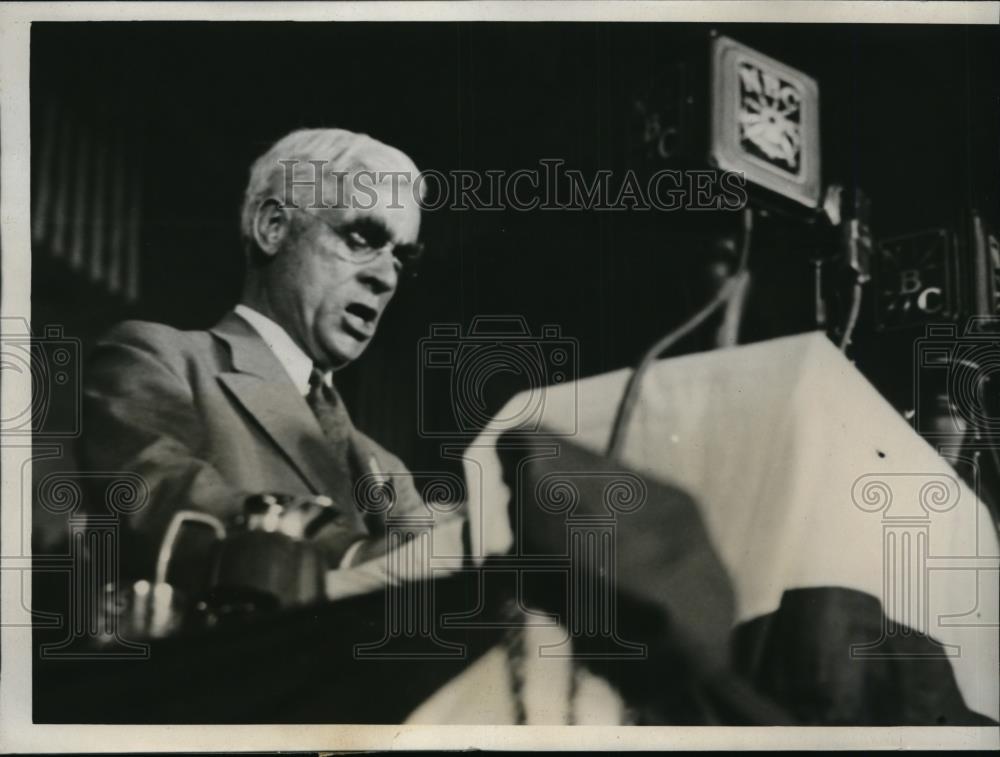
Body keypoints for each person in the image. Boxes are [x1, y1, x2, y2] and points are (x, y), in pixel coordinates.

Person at [80, 128, 441, 597]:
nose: (384, 276)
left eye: (401, 258)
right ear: (273, 227)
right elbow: (162, 498)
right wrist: (352, 557)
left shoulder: (386, 468)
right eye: (361, 238)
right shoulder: (156, 359)